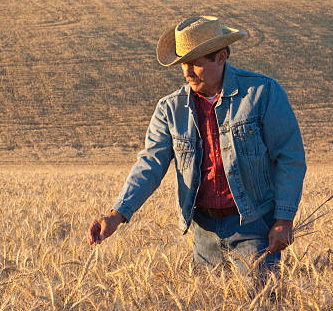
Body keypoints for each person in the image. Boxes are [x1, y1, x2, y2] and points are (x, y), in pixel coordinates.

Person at [87, 16, 306, 281]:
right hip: (204, 231)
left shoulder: (262, 93)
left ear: (221, 57)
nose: (187, 72)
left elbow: (289, 158)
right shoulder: (170, 109)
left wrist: (284, 219)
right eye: (183, 64)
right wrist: (116, 215)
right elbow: (150, 164)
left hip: (254, 226)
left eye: (195, 63)